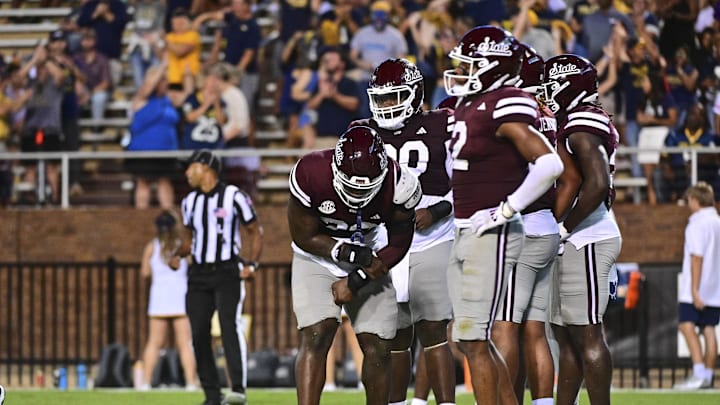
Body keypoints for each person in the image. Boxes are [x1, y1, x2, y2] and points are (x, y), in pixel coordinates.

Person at [442, 26, 563, 405]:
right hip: (466, 229)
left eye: (469, 65)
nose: (461, 72)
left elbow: (549, 164)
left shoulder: (505, 102)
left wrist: (507, 209)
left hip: (491, 233)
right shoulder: (471, 104)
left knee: (478, 336)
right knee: (467, 337)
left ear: (493, 67)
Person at [288, 125, 421, 405]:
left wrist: (357, 277)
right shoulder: (311, 172)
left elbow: (398, 243)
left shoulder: (399, 184)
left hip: (369, 253)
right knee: (317, 333)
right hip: (318, 256)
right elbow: (303, 235)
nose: (357, 194)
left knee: (379, 345)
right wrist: (349, 253)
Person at [352, 58, 456, 405]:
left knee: (433, 327)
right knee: (394, 332)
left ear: (414, 94)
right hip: (385, 239)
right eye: (380, 99)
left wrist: (437, 209)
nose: (386, 105)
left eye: (394, 97)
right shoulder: (363, 131)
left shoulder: (443, 123)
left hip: (434, 236)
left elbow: (471, 183)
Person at [543, 54, 622, 405]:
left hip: (586, 238)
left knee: (588, 335)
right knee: (567, 337)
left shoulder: (581, 122)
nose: (546, 93)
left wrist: (562, 226)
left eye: (551, 86)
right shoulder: (577, 120)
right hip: (578, 239)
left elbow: (598, 184)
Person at [491, 42, 558, 405]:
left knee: (504, 326)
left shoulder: (517, 116)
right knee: (533, 329)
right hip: (547, 224)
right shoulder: (549, 115)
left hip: (521, 224)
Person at [174, 149, 264, 405]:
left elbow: (254, 230)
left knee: (229, 327)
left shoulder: (233, 196)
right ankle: (212, 394)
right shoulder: (189, 202)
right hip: (198, 273)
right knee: (199, 332)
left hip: (226, 270)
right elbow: (191, 241)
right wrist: (177, 254)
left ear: (206, 167)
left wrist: (252, 263)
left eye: (191, 167)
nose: (187, 173)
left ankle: (237, 390)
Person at [139, 210, 197, 391]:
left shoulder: (152, 247)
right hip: (180, 298)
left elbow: (145, 272)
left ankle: (146, 383)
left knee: (154, 342)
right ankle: (190, 382)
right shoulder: (182, 246)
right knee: (185, 343)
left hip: (159, 300)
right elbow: (194, 263)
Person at [673, 182, 720, 390]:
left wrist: (694, 290)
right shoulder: (717, 222)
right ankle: (708, 377)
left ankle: (699, 374)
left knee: (686, 325)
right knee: (709, 329)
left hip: (698, 287)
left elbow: (697, 258)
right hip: (715, 288)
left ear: (694, 200)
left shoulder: (697, 224)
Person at [125, 61, 179, 210]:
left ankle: (169, 215)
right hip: (143, 151)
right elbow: (148, 87)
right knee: (144, 182)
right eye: (162, 79)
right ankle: (141, 218)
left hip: (166, 150)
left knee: (165, 181)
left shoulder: (168, 100)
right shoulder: (141, 98)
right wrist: (163, 64)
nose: (165, 82)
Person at [323, 309, 364, 391]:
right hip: (345, 303)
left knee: (329, 342)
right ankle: (362, 382)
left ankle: (328, 383)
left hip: (334, 302)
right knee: (354, 342)